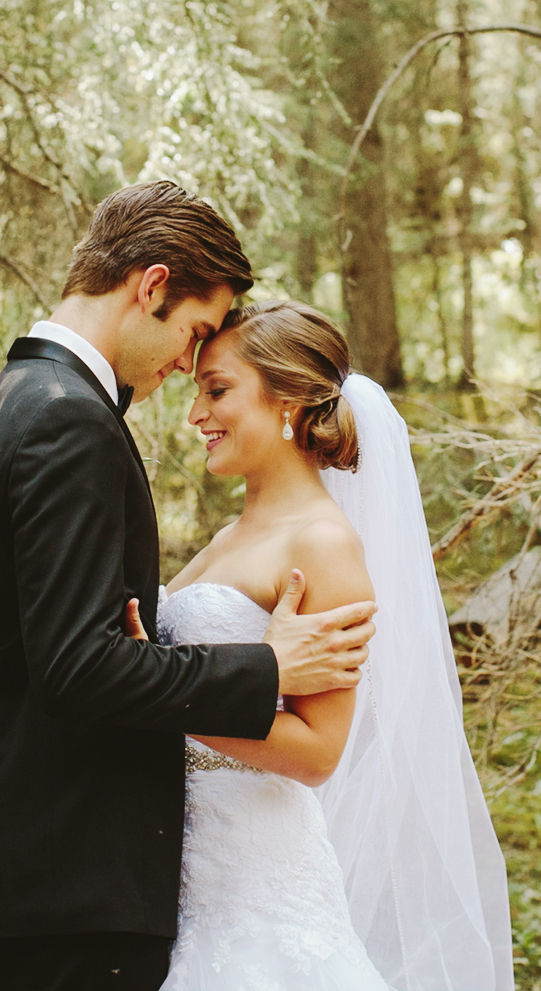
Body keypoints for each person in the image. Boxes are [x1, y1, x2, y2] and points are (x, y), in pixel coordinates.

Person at [0, 182, 378, 991]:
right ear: (152, 286)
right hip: (79, 865)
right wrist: (267, 671)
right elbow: (79, 668)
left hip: (67, 863)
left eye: (215, 379)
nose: (183, 374)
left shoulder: (4, 402)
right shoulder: (68, 419)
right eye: (194, 336)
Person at [143, 301, 514, 991]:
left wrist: (151, 699)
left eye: (216, 389)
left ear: (286, 399)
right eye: (196, 390)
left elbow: (317, 754)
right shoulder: (229, 539)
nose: (195, 413)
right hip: (183, 874)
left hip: (256, 881)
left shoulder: (324, 543)